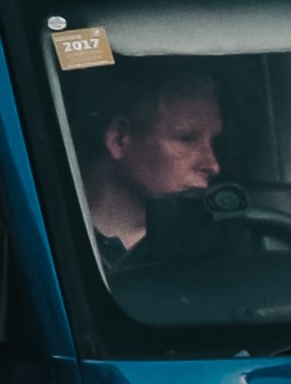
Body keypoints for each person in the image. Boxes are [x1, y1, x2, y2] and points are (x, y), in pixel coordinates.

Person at [77, 68, 227, 262]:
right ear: (119, 139)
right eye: (186, 139)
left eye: (213, 142)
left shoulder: (218, 249)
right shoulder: (47, 238)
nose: (213, 165)